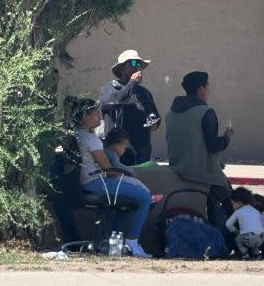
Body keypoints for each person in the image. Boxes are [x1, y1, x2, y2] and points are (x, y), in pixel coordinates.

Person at [72, 99, 152, 258]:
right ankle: (132, 243)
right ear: (84, 115)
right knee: (144, 197)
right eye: (95, 113)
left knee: (126, 203)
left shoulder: (76, 135)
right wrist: (129, 176)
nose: (100, 118)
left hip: (84, 183)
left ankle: (109, 242)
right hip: (96, 183)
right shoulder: (91, 139)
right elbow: (109, 169)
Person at [165, 71, 235, 230]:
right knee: (231, 201)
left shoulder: (171, 113)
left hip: (178, 169)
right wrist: (227, 137)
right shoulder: (205, 112)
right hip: (202, 173)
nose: (208, 91)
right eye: (207, 87)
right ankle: (226, 240)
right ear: (200, 89)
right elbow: (213, 146)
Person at [98, 50, 160, 165]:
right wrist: (131, 83)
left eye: (139, 64)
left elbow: (153, 115)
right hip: (118, 152)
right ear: (121, 68)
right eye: (133, 63)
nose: (138, 68)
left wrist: (153, 121)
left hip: (142, 151)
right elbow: (113, 101)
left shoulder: (144, 92)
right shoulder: (111, 88)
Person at [225, 187, 264, 260]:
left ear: (239, 202)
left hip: (249, 237)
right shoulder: (255, 210)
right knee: (254, 241)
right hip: (262, 237)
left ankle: (245, 255)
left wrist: (236, 231)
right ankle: (257, 254)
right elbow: (261, 224)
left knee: (238, 239)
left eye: (233, 204)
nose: (232, 207)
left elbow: (228, 224)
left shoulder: (238, 212)